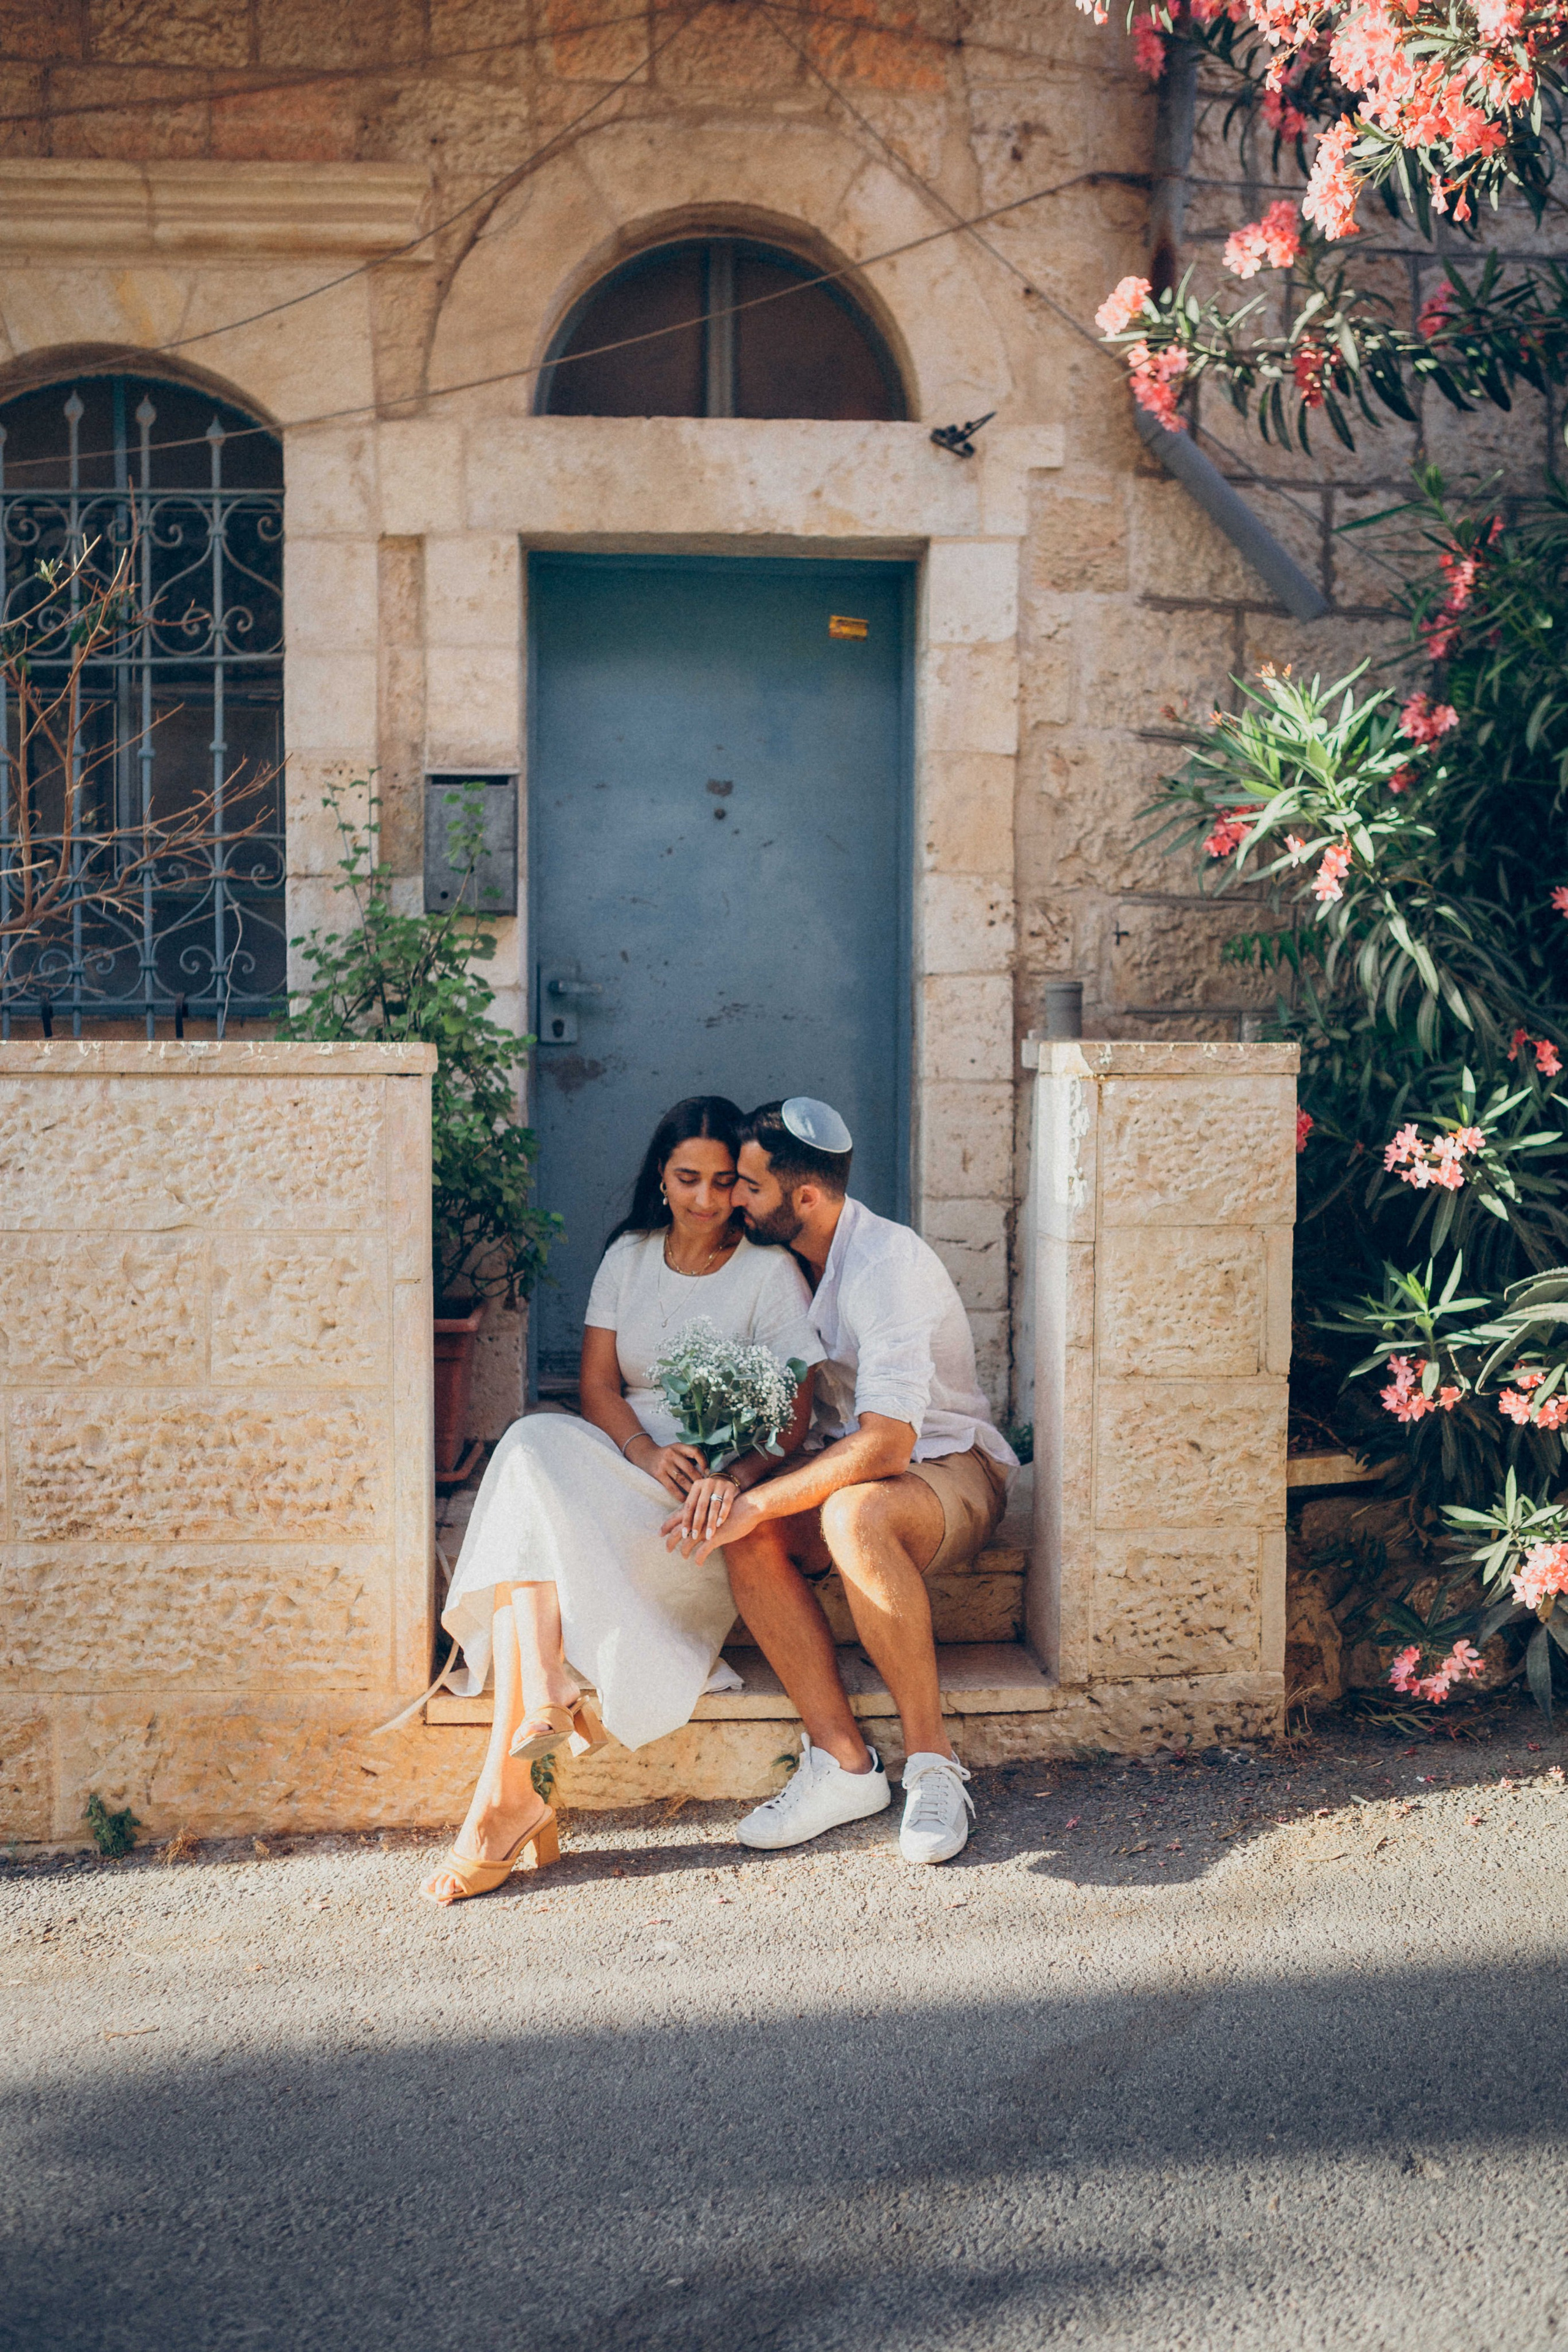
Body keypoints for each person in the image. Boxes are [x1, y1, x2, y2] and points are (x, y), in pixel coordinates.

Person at [421, 1096, 822, 1905]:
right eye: (686, 1180)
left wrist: (726, 1476)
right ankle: (540, 1716)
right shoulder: (629, 1258)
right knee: (532, 1442)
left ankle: (519, 1780)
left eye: (721, 1183)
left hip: (698, 1515)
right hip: (623, 1466)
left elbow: (796, 1417)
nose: (705, 1201)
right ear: (661, 1178)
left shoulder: (769, 1273)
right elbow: (599, 1387)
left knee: (520, 1553)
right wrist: (642, 1447)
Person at [664, 1097, 1017, 1866]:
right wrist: (738, 1484)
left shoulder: (886, 1266)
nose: (733, 1201)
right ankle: (843, 1765)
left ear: (807, 1199)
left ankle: (932, 1766)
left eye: (749, 1188)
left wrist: (763, 1493)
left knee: (853, 1515)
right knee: (748, 1529)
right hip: (841, 1460)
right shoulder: (778, 1257)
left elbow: (888, 1444)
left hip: (948, 1466)